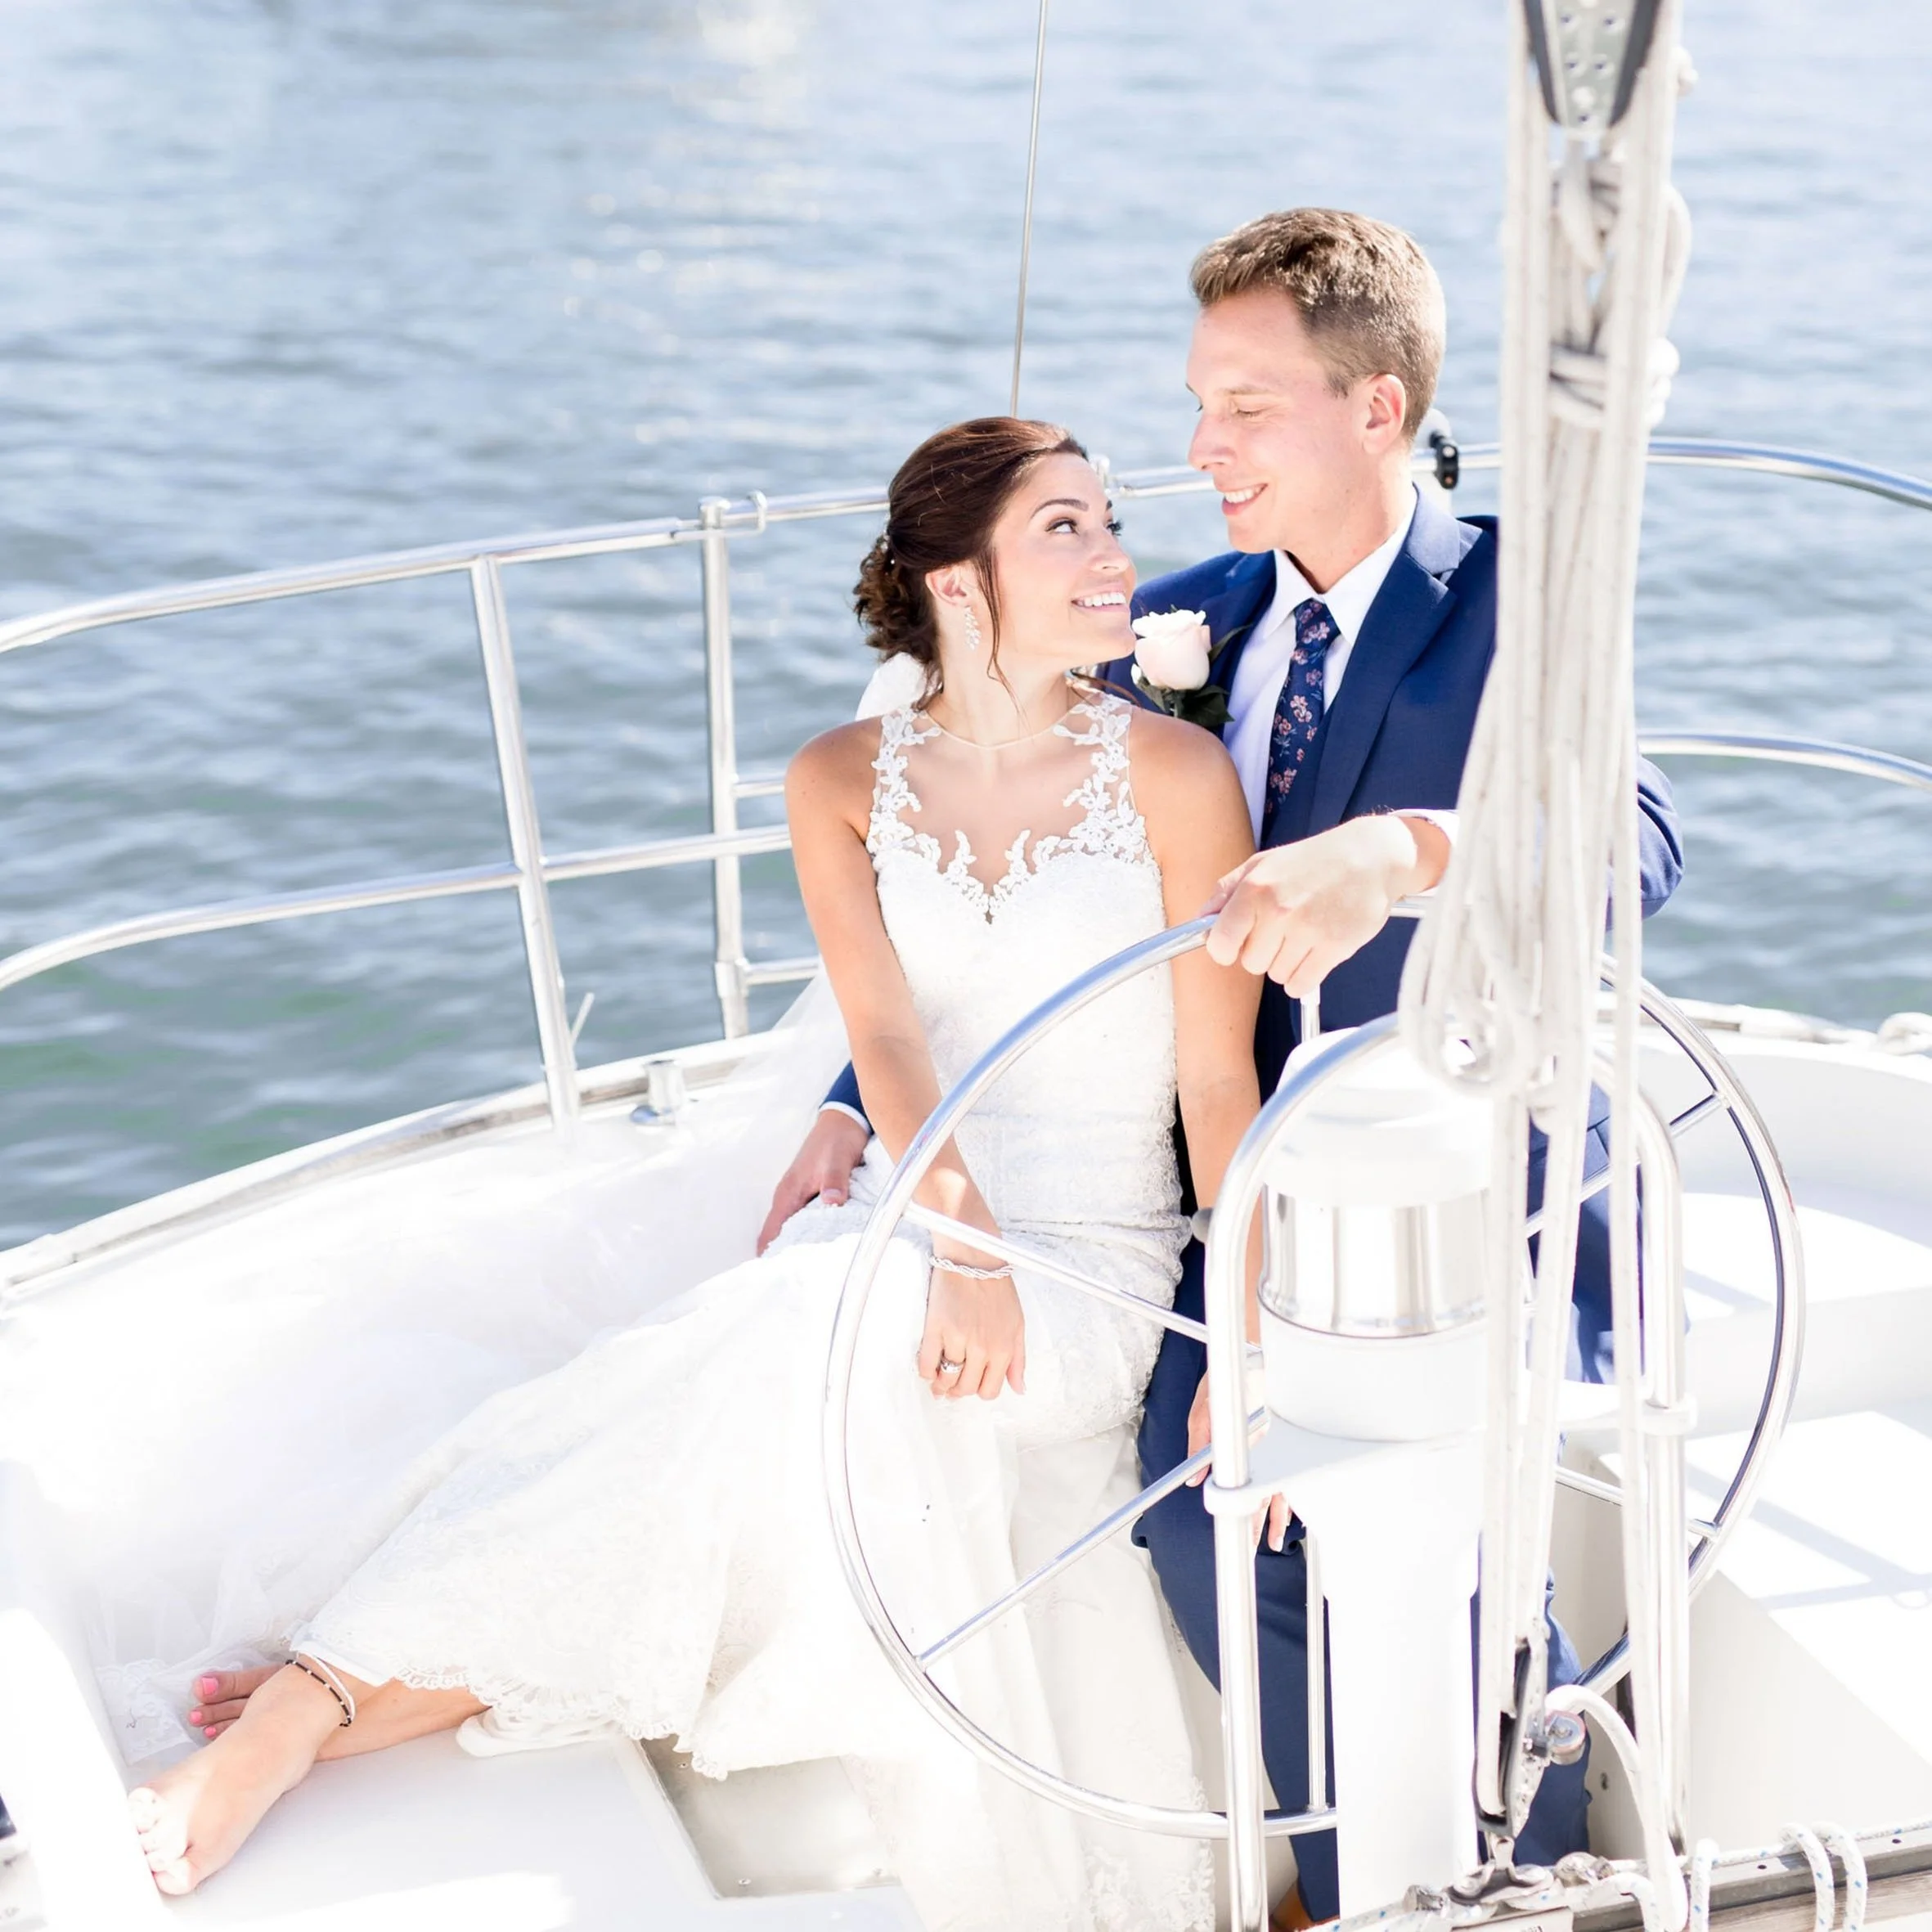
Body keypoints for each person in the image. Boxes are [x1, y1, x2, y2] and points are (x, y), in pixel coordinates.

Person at [124, 417, 1263, 1932]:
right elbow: (884, 1039)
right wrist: (960, 1240)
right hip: (929, 1216)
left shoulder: (1178, 776)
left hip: (1094, 1263)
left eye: (1107, 520)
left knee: (786, 1358)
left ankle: (316, 1701)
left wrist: (1243, 1334)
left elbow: (1213, 1082)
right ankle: (331, 1701)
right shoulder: (839, 778)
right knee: (771, 1357)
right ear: (956, 582)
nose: (1116, 555)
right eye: (1065, 527)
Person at [761, 209, 1684, 1929]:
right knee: (1201, 1518)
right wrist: (843, 1093)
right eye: (1196, 402)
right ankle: (1363, 1884)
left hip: (1455, 1183)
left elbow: (1628, 840)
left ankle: (1537, 1885)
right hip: (1217, 1181)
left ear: (1374, 405)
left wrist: (1398, 852)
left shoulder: (1514, 598)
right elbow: (991, 865)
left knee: (1407, 1539)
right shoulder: (1182, 615)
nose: (1199, 448)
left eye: (1245, 405)